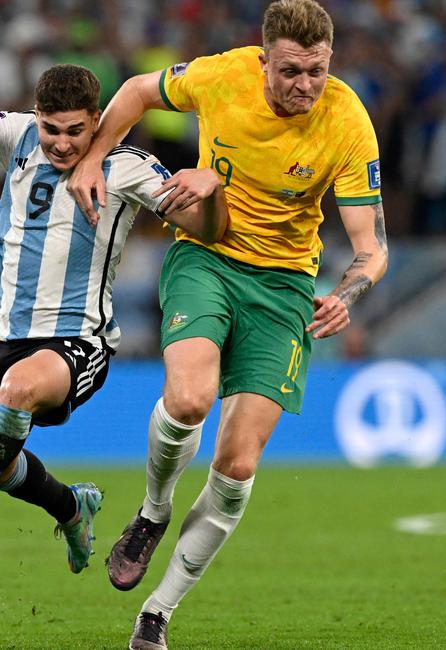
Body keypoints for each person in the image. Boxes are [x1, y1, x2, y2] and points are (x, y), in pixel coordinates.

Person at [69, 1, 389, 648]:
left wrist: (349, 292)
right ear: (264, 58)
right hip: (207, 259)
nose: (306, 85)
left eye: (318, 71)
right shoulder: (222, 76)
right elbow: (134, 91)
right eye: (292, 71)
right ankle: (154, 512)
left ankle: (156, 614)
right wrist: (93, 159)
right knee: (189, 398)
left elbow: (371, 246)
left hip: (287, 288)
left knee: (238, 466)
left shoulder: (348, 121)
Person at [0, 64, 226, 577]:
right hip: (6, 332)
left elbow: (209, 230)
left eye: (75, 131)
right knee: (2, 458)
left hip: (78, 341)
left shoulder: (127, 167)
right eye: (51, 129)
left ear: (97, 120)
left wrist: (212, 191)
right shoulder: (16, 136)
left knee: (15, 391)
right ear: (35, 118)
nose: (60, 144)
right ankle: (70, 507)